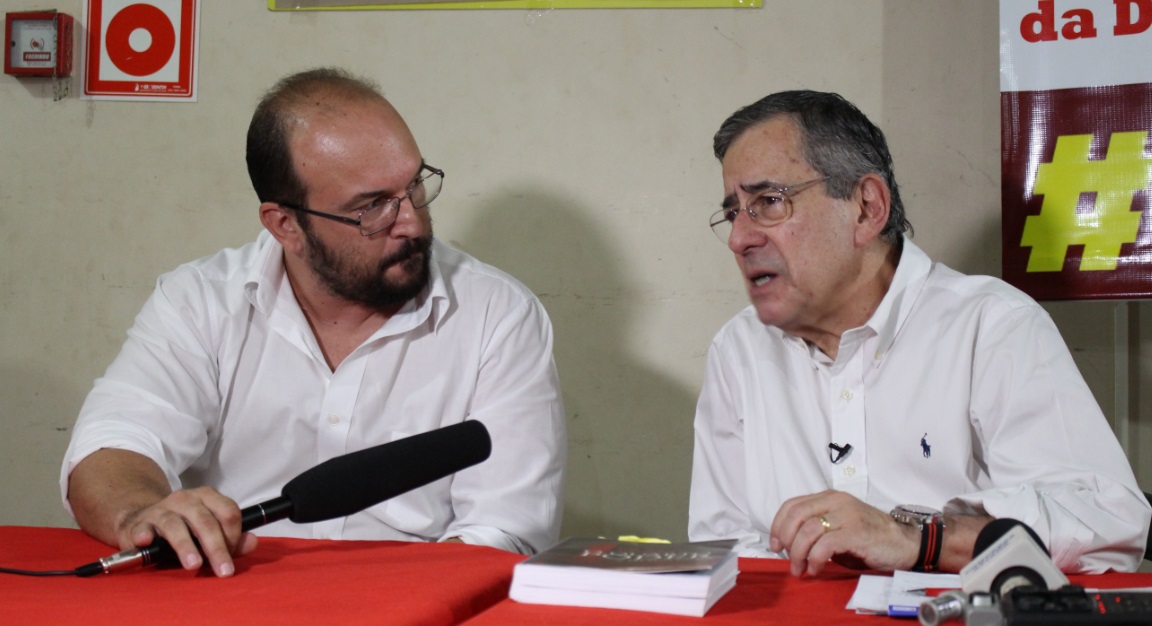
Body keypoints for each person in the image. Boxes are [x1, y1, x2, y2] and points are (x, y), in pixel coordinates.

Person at [60, 68, 567, 578]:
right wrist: (139, 512)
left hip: (417, 590)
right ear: (286, 225)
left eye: (414, 185)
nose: (412, 223)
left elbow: (504, 530)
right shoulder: (200, 301)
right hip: (234, 588)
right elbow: (113, 445)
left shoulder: (496, 315)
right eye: (372, 207)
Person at [688, 89, 1150, 576]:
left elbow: (1108, 523)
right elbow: (723, 550)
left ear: (866, 207)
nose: (739, 239)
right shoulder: (740, 349)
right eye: (734, 212)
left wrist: (919, 540)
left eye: (769, 202)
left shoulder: (991, 325)